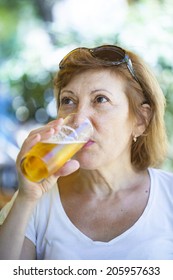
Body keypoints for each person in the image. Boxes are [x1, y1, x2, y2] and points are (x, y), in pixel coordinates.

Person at [0, 44, 173, 260]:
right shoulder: (36, 200)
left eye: (100, 99)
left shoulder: (168, 196)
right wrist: (26, 197)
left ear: (141, 120)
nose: (79, 119)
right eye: (68, 101)